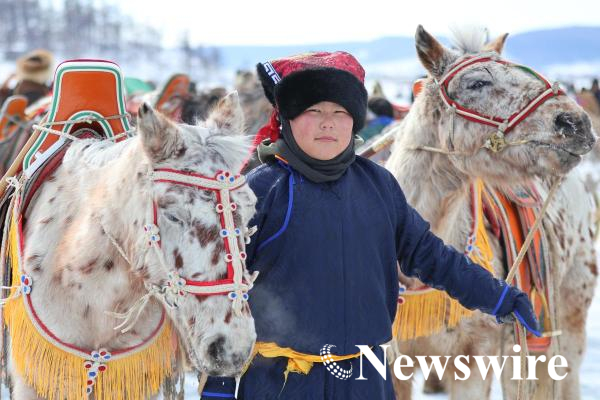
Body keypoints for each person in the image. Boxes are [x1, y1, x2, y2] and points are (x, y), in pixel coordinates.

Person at [201, 51, 539, 400]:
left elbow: (430, 255)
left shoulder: (378, 185)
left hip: (366, 379)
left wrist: (499, 297)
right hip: (281, 381)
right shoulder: (259, 191)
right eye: (313, 111)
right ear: (287, 118)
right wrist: (218, 383)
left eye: (340, 112)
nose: (328, 123)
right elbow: (224, 289)